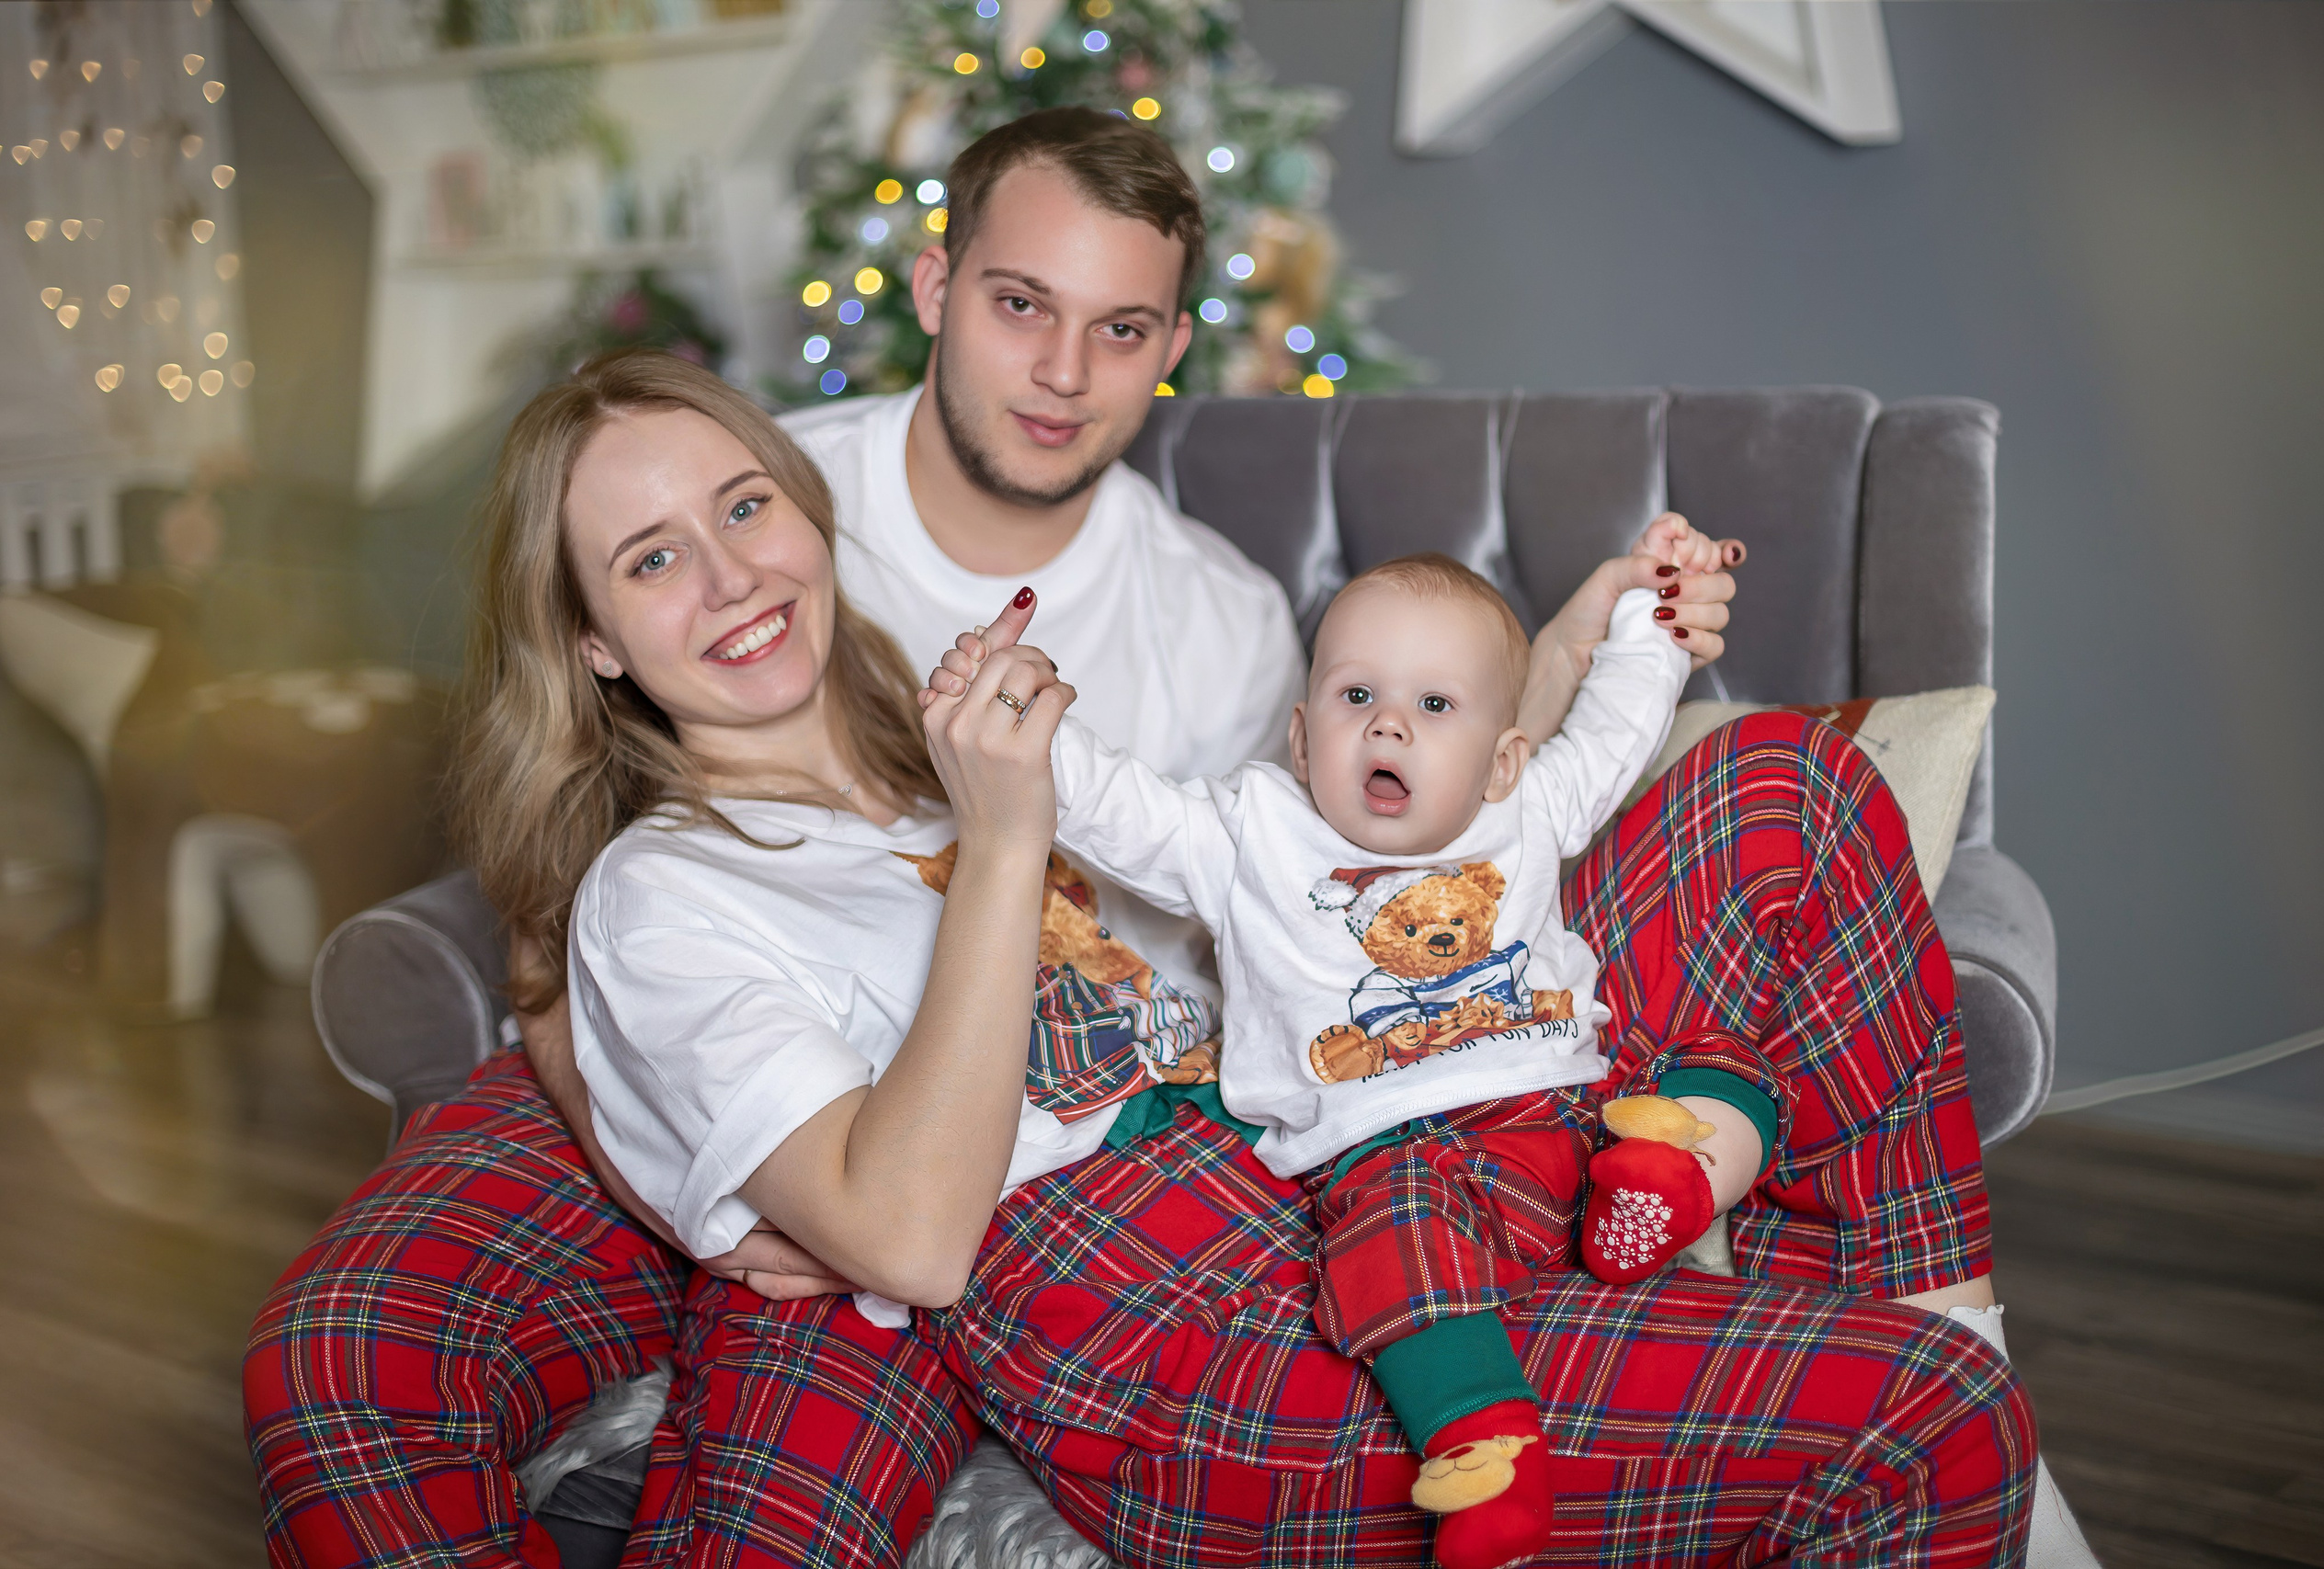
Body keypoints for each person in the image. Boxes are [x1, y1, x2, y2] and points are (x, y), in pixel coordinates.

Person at [245, 105, 2049, 1569]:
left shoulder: (1147, 637)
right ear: (938, 289)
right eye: (1018, 305)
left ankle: (1874, 1327)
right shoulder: (761, 628)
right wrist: (680, 1169)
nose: (1057, 370)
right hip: (1101, 1272)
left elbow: (1326, 848)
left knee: (1789, 810)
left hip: (1284, 1119)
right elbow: (837, 1161)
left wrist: (1557, 676)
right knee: (364, 1360)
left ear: (1168, 349)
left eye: (1117, 328)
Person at [918, 551, 1720, 1569]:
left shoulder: (1529, 807)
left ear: (1503, 760)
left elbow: (1615, 727)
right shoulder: (1253, 834)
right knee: (1382, 1217)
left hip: (1545, 1119)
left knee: (1659, 1073)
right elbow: (1127, 809)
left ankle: (1614, 1253)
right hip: (1402, 1153)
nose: (1389, 724)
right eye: (1356, 696)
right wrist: (1017, 718)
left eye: (1435, 703)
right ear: (1302, 740)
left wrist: (1654, 612)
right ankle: (1542, 1365)